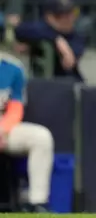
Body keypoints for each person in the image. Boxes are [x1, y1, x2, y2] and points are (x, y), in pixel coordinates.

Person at [0, 52, 54, 212]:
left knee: (41, 137)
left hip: (3, 128)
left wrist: (3, 129)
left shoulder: (12, 67)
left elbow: (16, 106)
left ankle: (37, 203)